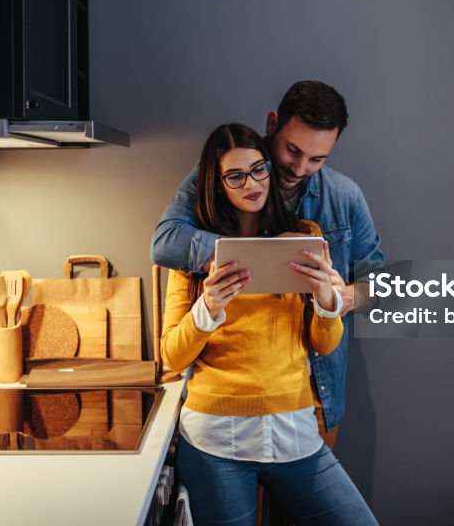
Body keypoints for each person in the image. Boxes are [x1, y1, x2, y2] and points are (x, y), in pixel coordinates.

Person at [160, 123, 377, 525]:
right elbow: (171, 355)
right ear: (217, 183)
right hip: (215, 440)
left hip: (294, 432)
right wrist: (208, 306)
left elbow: (324, 345)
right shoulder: (193, 260)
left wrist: (329, 302)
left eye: (259, 169)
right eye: (235, 176)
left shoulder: (303, 237)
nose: (252, 183)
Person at [152, 80, 385, 442]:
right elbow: (165, 242)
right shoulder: (225, 170)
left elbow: (381, 286)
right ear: (272, 124)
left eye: (317, 159)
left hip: (316, 394)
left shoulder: (344, 198)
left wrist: (342, 297)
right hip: (226, 407)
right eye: (293, 151)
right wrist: (258, 251)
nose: (300, 167)